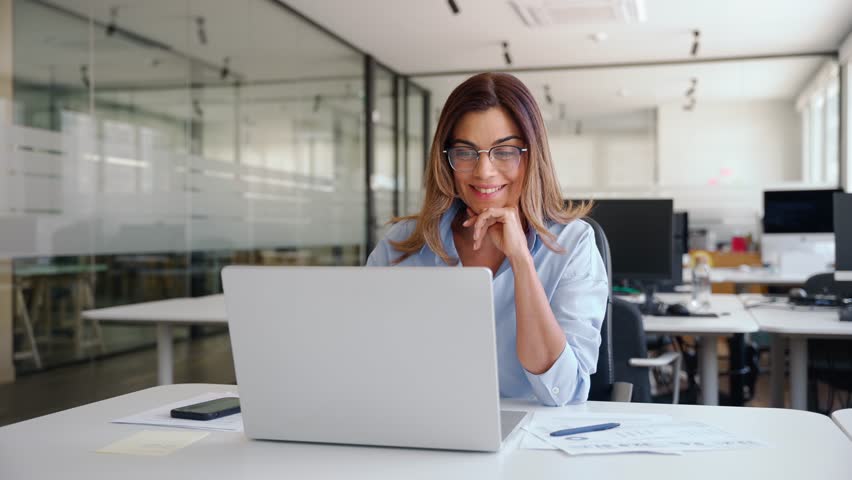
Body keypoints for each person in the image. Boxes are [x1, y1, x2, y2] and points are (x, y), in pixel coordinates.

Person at [366, 72, 608, 406]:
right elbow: (364, 363)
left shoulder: (572, 245)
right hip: (420, 427)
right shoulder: (402, 245)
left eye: (505, 151)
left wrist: (522, 260)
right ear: (446, 160)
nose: (483, 171)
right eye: (465, 152)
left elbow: (563, 391)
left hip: (532, 440)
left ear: (531, 154)